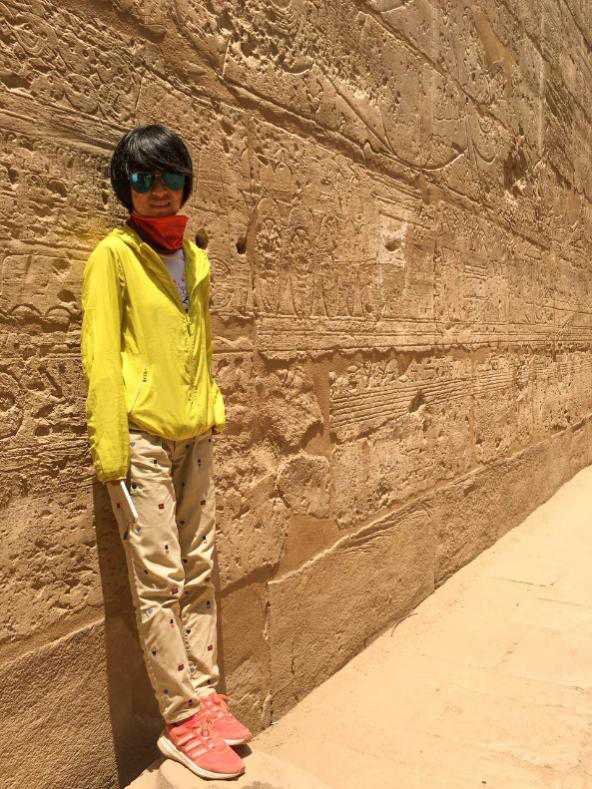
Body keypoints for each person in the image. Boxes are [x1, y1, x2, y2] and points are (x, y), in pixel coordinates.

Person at [80, 124, 250, 780]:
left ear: (186, 182)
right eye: (143, 178)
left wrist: (211, 408)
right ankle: (180, 721)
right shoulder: (114, 256)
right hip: (143, 439)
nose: (157, 189)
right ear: (124, 185)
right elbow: (101, 356)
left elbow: (199, 346)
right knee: (160, 577)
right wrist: (112, 453)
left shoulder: (196, 260)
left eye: (169, 176)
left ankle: (206, 695)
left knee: (200, 565)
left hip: (194, 435)